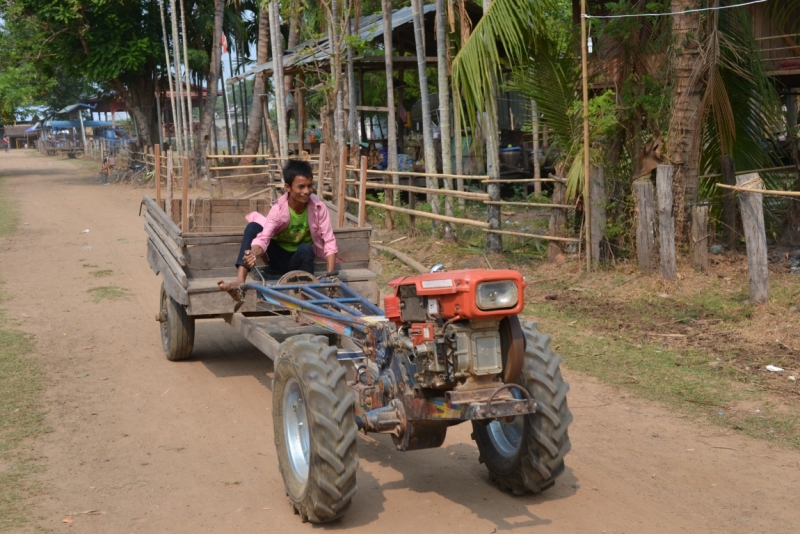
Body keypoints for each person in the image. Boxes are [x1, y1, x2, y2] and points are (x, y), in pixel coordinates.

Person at [217, 159, 337, 299]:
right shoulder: (278, 210)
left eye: (309, 186)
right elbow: (264, 237)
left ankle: (306, 303)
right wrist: (253, 255)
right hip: (276, 258)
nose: (306, 191)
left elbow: (329, 241)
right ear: (288, 187)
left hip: (298, 261)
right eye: (301, 187)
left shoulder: (318, 208)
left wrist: (330, 276)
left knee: (306, 248)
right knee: (253, 227)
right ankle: (239, 283)